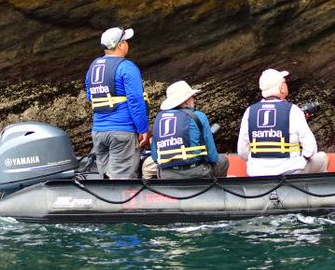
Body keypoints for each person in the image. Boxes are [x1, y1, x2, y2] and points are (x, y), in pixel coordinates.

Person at [84, 26, 149, 179]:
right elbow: (135, 100)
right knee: (121, 183)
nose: (127, 43)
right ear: (120, 45)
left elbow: (89, 96)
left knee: (106, 180)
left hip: (99, 133)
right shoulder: (126, 66)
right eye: (125, 40)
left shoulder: (93, 67)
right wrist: (143, 129)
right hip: (122, 131)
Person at [237, 68, 329, 176]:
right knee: (323, 158)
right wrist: (299, 156)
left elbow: (242, 152)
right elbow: (311, 150)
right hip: (290, 171)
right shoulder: (293, 110)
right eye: (284, 83)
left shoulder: (249, 111)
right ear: (281, 88)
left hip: (257, 173)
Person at [150, 80, 230, 180]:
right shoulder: (198, 116)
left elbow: (154, 157)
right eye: (193, 97)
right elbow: (212, 157)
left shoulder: (159, 119)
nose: (194, 100)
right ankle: (214, 192)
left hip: (167, 175)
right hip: (196, 172)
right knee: (223, 161)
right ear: (187, 101)